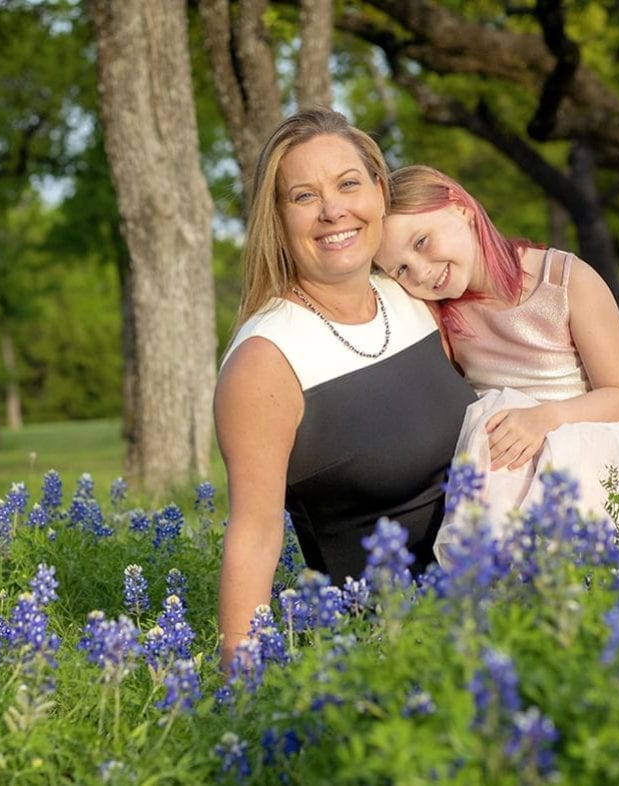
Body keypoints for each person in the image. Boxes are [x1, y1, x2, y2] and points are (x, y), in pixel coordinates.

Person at [214, 112, 477, 666]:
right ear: (278, 219)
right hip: (389, 647)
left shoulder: (416, 297)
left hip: (497, 597)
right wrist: (240, 691)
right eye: (304, 196)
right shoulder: (266, 359)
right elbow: (255, 538)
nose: (333, 210)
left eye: (349, 184)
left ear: (381, 193)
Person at [378, 164, 619, 564]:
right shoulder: (440, 318)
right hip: (514, 467)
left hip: (598, 436)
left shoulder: (564, 279)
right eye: (400, 269)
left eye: (421, 242)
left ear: (460, 208)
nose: (420, 272)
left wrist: (546, 418)